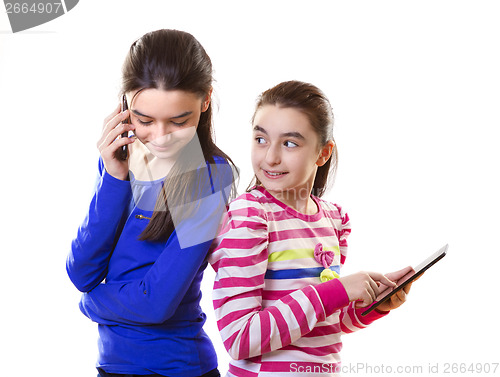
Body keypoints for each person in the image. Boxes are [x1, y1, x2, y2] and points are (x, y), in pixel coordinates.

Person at [208, 80, 414, 376]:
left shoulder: (334, 220)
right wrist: (336, 290)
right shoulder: (251, 216)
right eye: (261, 139)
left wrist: (372, 306)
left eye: (289, 143)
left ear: (323, 153)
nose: (270, 157)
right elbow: (239, 338)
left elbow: (327, 323)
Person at [66, 29, 236, 377]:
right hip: (112, 366)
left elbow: (156, 303)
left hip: (177, 369)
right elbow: (82, 270)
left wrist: (91, 302)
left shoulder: (209, 177)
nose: (160, 137)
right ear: (125, 103)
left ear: (205, 101)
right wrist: (114, 177)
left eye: (179, 121)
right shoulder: (118, 160)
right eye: (144, 120)